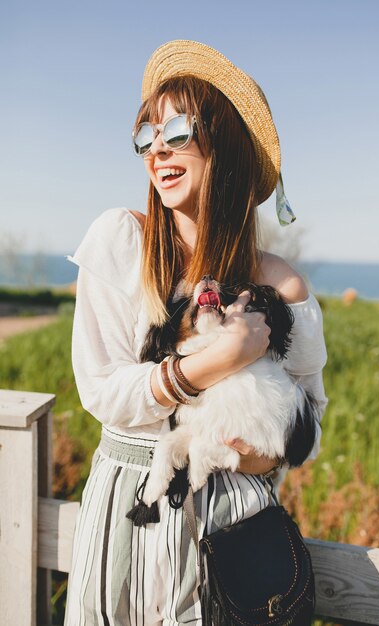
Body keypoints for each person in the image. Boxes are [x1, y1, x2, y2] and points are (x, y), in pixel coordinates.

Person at [64, 40, 328, 626]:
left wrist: (260, 460)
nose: (157, 149)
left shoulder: (282, 285)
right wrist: (218, 360)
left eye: (178, 129)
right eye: (146, 135)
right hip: (135, 508)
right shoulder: (122, 241)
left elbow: (308, 417)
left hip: (236, 527)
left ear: (226, 143)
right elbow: (102, 391)